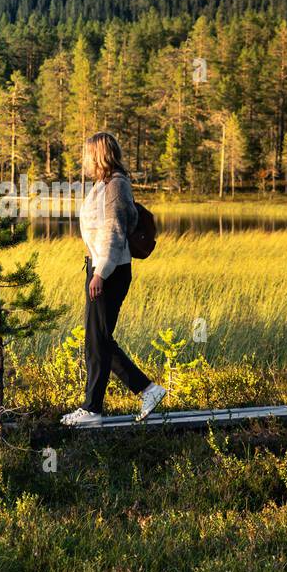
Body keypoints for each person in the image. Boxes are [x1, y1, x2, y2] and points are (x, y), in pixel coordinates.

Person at [61, 131, 166, 427]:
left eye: (88, 153)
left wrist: (100, 273)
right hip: (99, 268)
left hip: (110, 271)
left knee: (98, 340)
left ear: (100, 155)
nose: (85, 159)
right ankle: (144, 391)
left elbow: (115, 233)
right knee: (98, 339)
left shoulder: (116, 186)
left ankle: (96, 408)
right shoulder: (103, 185)